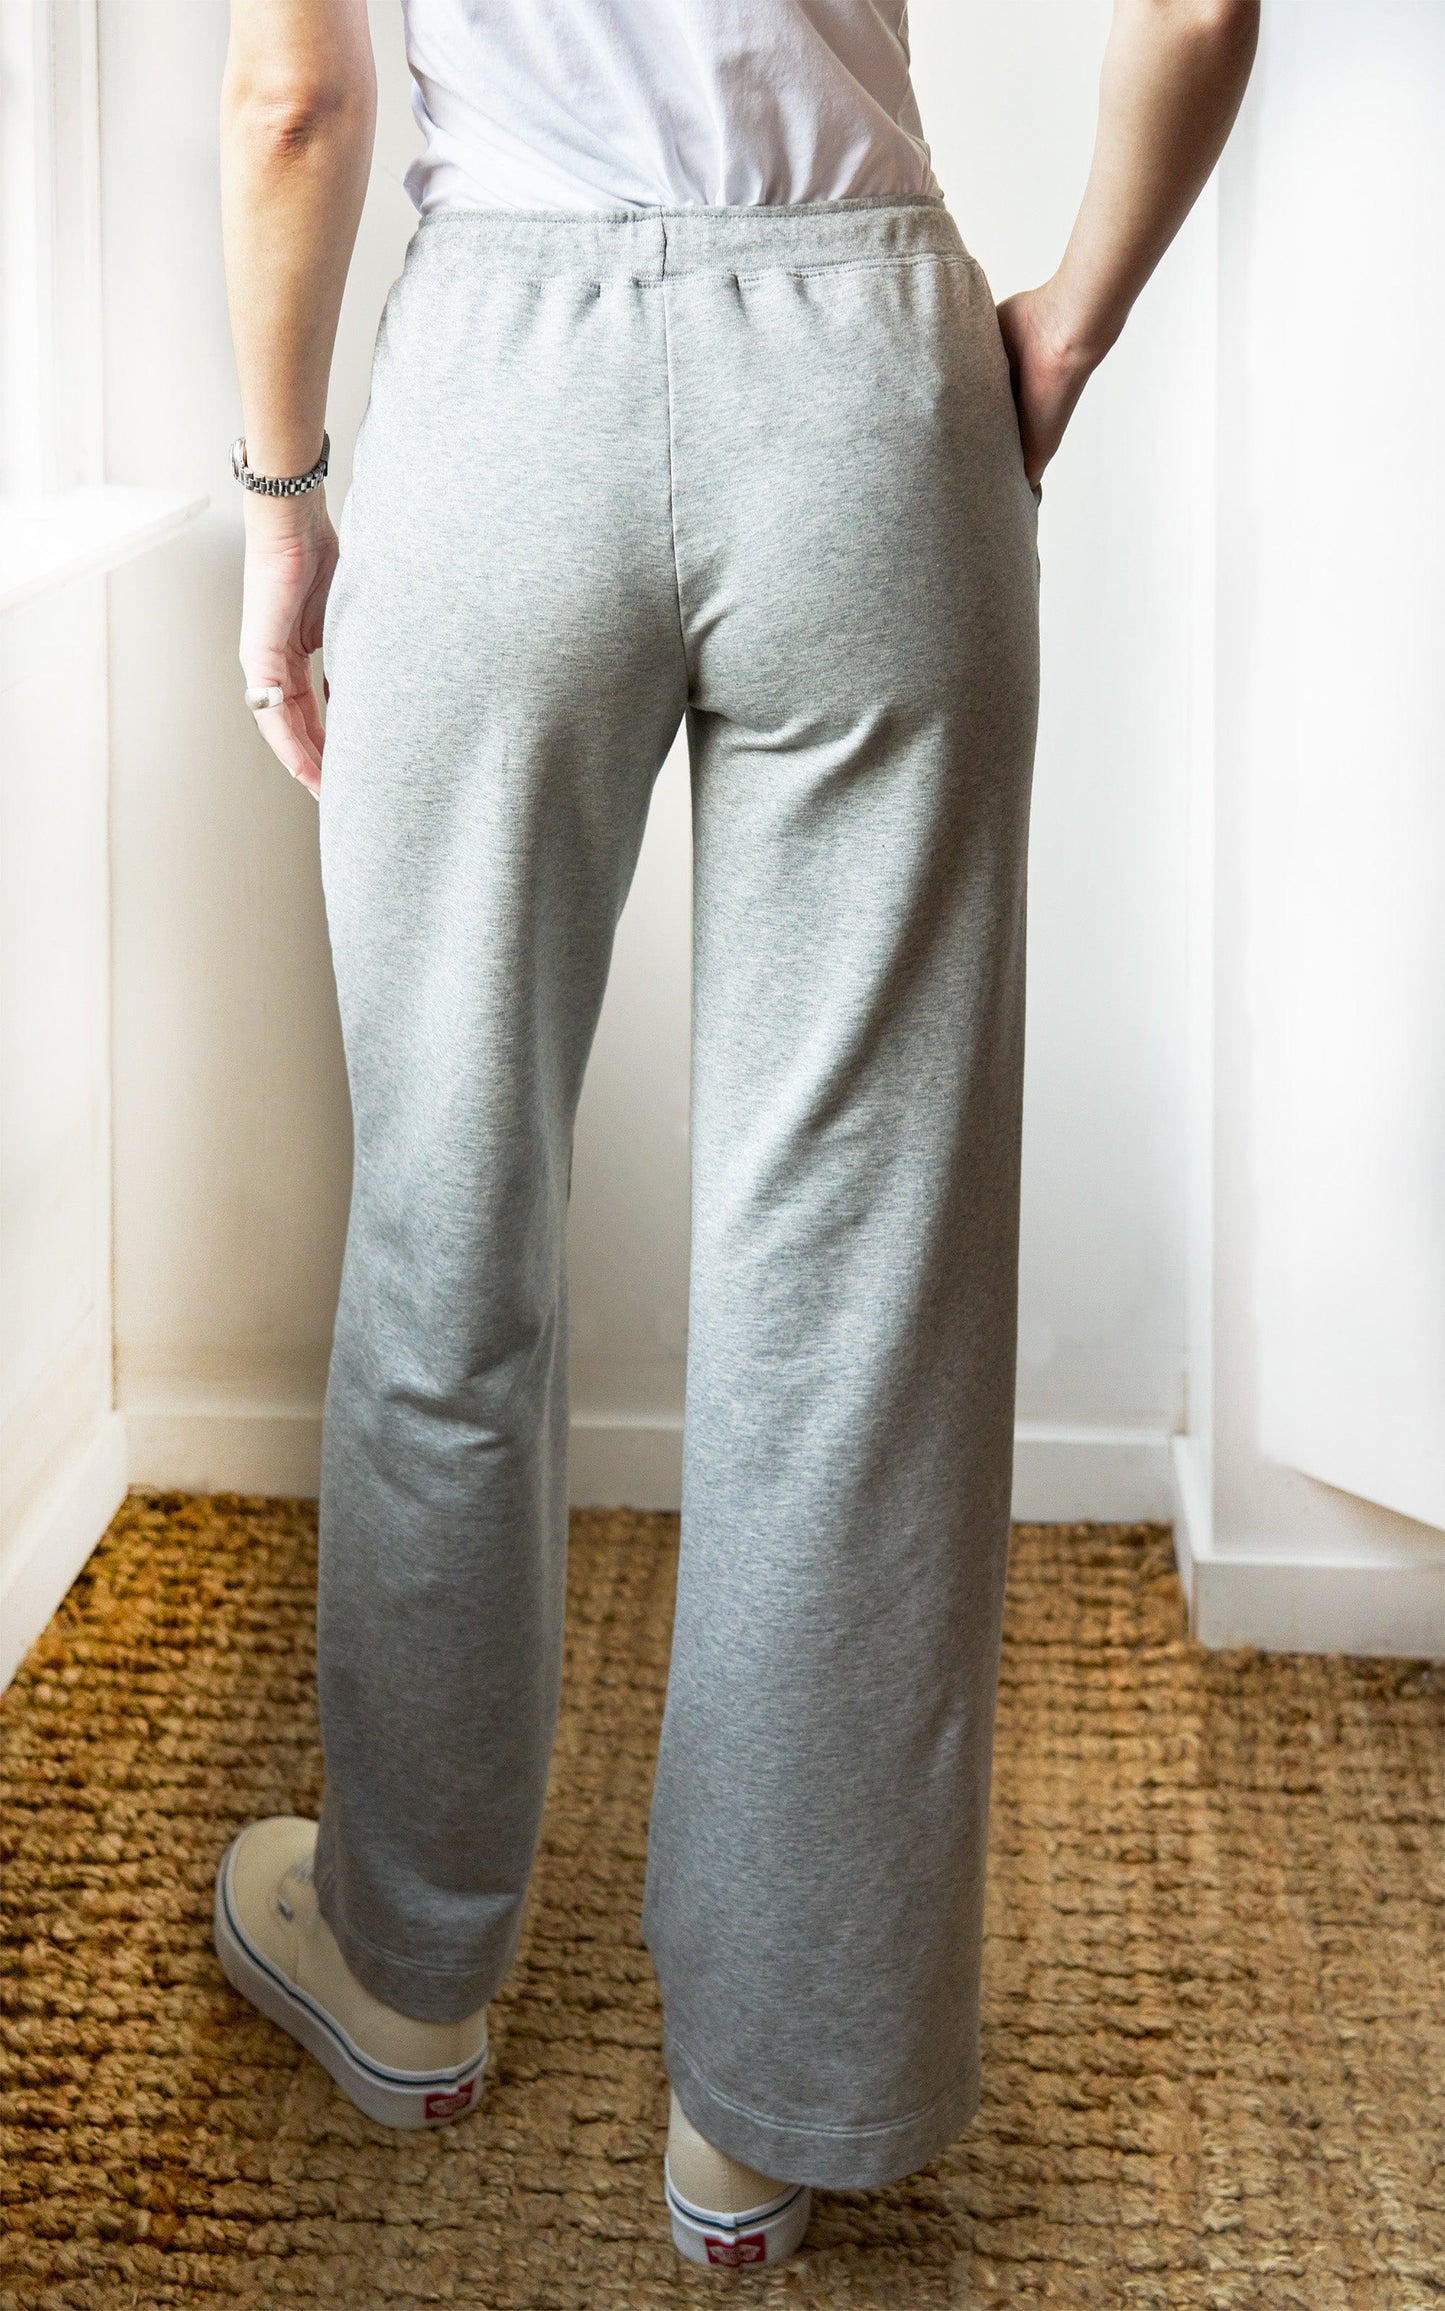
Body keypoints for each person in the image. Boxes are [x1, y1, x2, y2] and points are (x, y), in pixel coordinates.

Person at [212, 0, 1257, 2271]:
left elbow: (294, 97)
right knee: (853, 1293)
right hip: (864, 376)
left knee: (446, 1226)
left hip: (503, 397)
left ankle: (405, 1971)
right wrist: (1067, 327)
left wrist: (285, 500)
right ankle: (772, 2100)